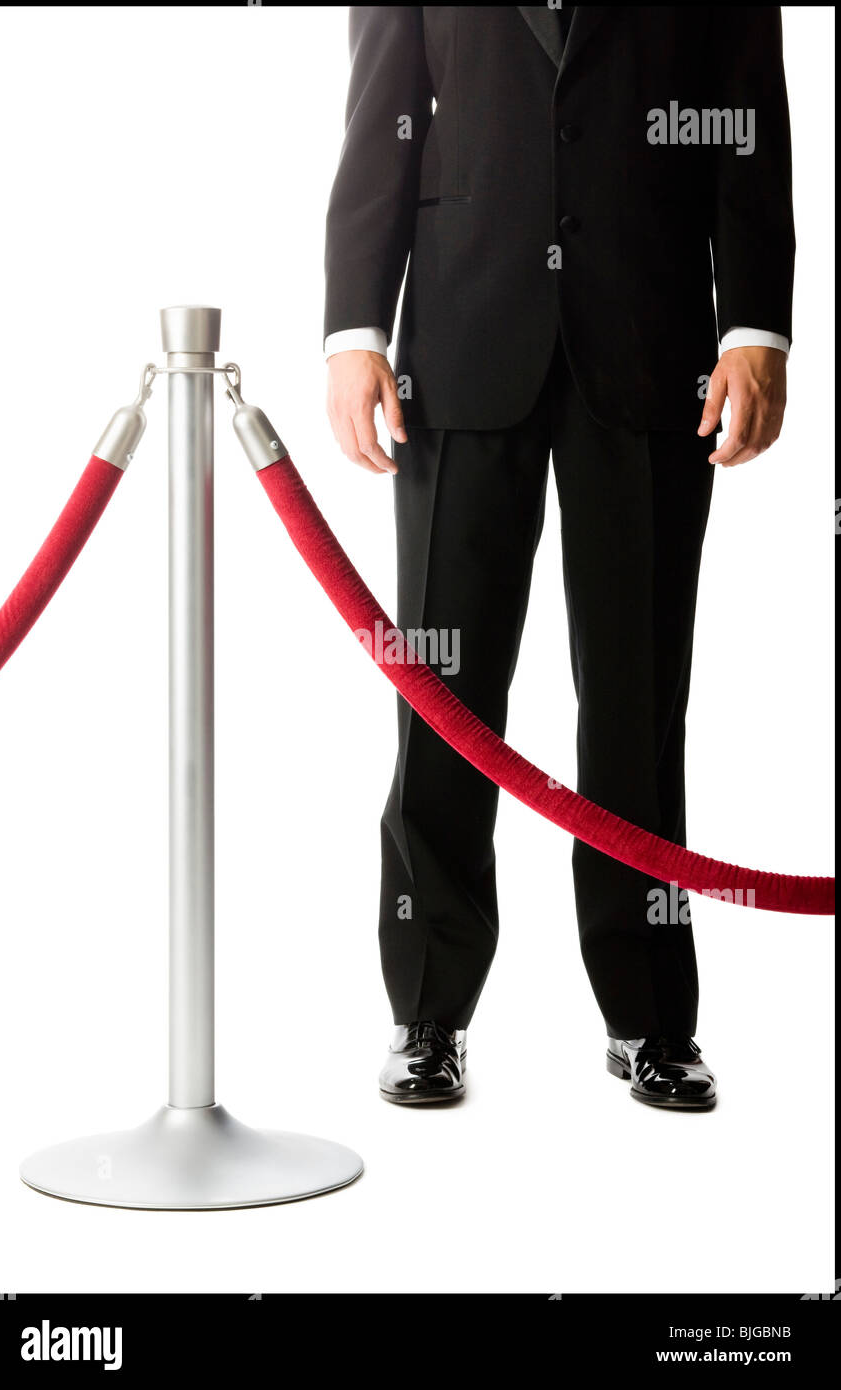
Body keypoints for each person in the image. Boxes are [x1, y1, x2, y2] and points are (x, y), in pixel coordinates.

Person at [323, 7, 794, 1109]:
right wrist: (354, 330)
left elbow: (746, 117)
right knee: (442, 693)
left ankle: (651, 1018)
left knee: (638, 696)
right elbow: (383, 111)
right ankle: (427, 1011)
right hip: (460, 333)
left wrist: (755, 328)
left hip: (650, 336)